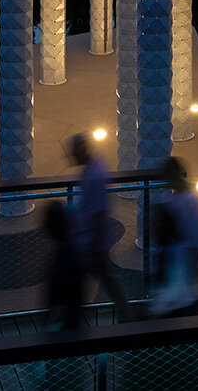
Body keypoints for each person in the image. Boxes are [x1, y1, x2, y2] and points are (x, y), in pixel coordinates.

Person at [69, 132, 131, 322]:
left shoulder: (94, 174)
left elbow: (97, 212)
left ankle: (126, 317)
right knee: (107, 279)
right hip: (92, 241)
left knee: (92, 280)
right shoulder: (92, 169)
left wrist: (92, 245)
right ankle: (126, 315)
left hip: (92, 242)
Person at [149, 156, 198, 317]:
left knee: (176, 300)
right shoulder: (187, 199)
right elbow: (197, 233)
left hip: (176, 259)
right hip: (181, 258)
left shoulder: (175, 201)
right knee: (186, 295)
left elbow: (192, 232)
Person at [43, 198, 82, 331]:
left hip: (61, 330)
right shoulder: (74, 254)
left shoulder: (60, 263)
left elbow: (59, 305)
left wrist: (50, 325)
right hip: (72, 323)